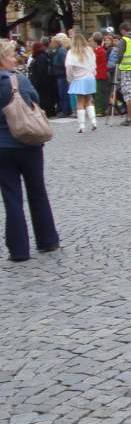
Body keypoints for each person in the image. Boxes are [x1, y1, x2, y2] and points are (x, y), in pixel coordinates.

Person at [0, 40, 60, 262]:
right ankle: (47, 239)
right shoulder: (18, 80)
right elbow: (34, 101)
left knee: (11, 197)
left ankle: (18, 249)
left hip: (1, 147)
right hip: (26, 143)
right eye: (10, 56)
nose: (14, 59)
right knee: (37, 190)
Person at [65, 32, 98, 133]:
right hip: (90, 77)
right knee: (89, 100)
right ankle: (94, 122)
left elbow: (69, 68)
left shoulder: (71, 52)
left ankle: (81, 125)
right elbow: (94, 64)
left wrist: (70, 79)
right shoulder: (89, 50)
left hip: (79, 78)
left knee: (80, 102)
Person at [27, 42, 54, 118]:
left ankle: (47, 112)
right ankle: (49, 111)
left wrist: (35, 80)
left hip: (41, 81)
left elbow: (40, 70)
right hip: (44, 80)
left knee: (43, 97)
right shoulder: (41, 56)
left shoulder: (40, 57)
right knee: (45, 96)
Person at [51, 33, 70, 118]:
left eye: (52, 42)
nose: (51, 44)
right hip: (59, 76)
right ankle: (63, 109)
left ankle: (65, 111)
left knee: (64, 94)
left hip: (62, 76)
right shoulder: (58, 50)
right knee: (61, 94)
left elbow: (65, 63)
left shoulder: (61, 51)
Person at [92, 32, 109, 117]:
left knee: (99, 93)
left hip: (99, 74)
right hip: (100, 74)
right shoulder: (100, 50)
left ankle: (99, 110)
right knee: (100, 92)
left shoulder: (98, 51)